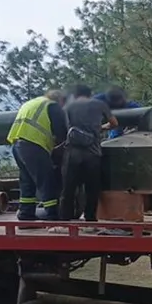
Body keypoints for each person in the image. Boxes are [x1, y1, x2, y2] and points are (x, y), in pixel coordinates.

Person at [7, 90, 68, 221]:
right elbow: (61, 131)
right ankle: (52, 214)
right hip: (34, 145)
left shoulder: (31, 103)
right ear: (60, 100)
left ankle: (26, 214)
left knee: (27, 181)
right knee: (46, 180)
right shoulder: (52, 106)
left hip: (17, 144)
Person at [59, 84, 116, 223]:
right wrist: (100, 128)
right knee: (92, 187)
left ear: (76, 94)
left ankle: (65, 218)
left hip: (73, 151)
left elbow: (64, 127)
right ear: (90, 93)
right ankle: (90, 217)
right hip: (93, 152)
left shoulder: (68, 107)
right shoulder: (100, 104)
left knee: (68, 187)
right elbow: (114, 123)